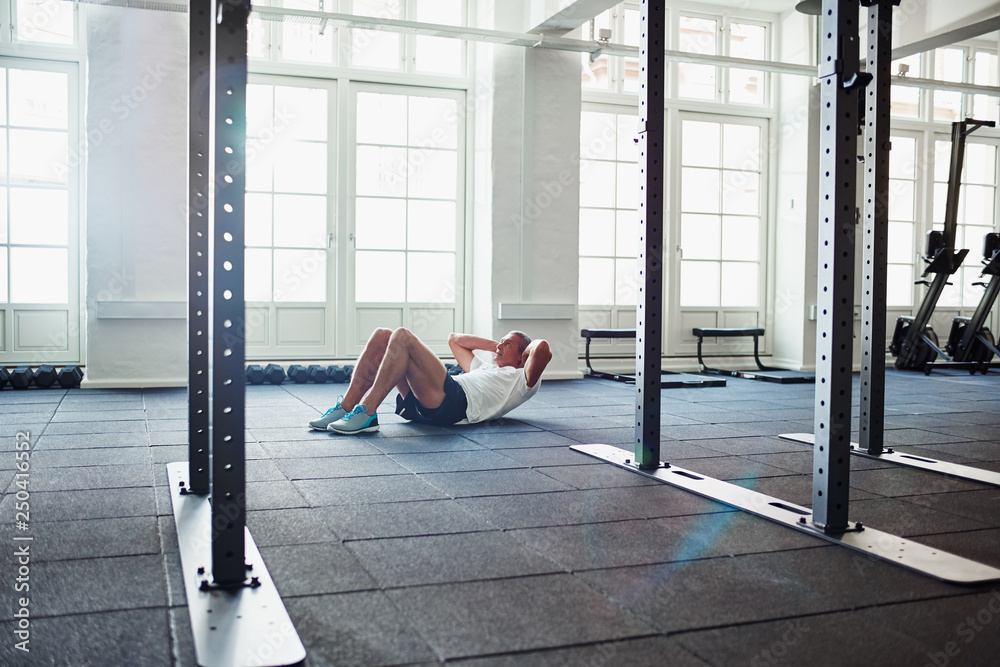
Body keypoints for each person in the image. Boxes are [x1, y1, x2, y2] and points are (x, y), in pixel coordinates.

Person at [308, 327, 552, 434]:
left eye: (507, 343)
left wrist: (522, 352)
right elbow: (455, 339)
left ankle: (368, 412)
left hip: (453, 403)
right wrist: (499, 346)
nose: (500, 345)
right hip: (428, 401)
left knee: (402, 336)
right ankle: (346, 408)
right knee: (384, 335)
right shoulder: (484, 368)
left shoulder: (523, 379)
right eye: (501, 341)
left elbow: (543, 348)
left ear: (522, 357)